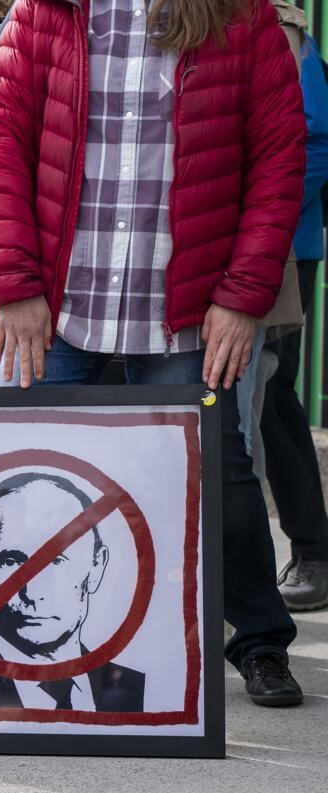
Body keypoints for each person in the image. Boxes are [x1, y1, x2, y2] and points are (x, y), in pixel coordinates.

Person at [0, 0, 306, 705]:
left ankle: (260, 640)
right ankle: (17, 656)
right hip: (58, 307)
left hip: (186, 310)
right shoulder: (44, 11)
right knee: (31, 477)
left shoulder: (239, 16)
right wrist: (12, 283)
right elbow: (0, 140)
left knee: (219, 472)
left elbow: (279, 156)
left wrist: (243, 295)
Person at [0, 474, 146, 713]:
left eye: (57, 559)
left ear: (96, 566)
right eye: (10, 560)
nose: (33, 592)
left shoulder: (134, 691)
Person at [262, 31, 328, 612]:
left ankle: (314, 551)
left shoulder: (287, 36)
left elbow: (312, 146)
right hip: (202, 249)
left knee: (272, 398)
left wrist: (262, 221)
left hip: (281, 251)